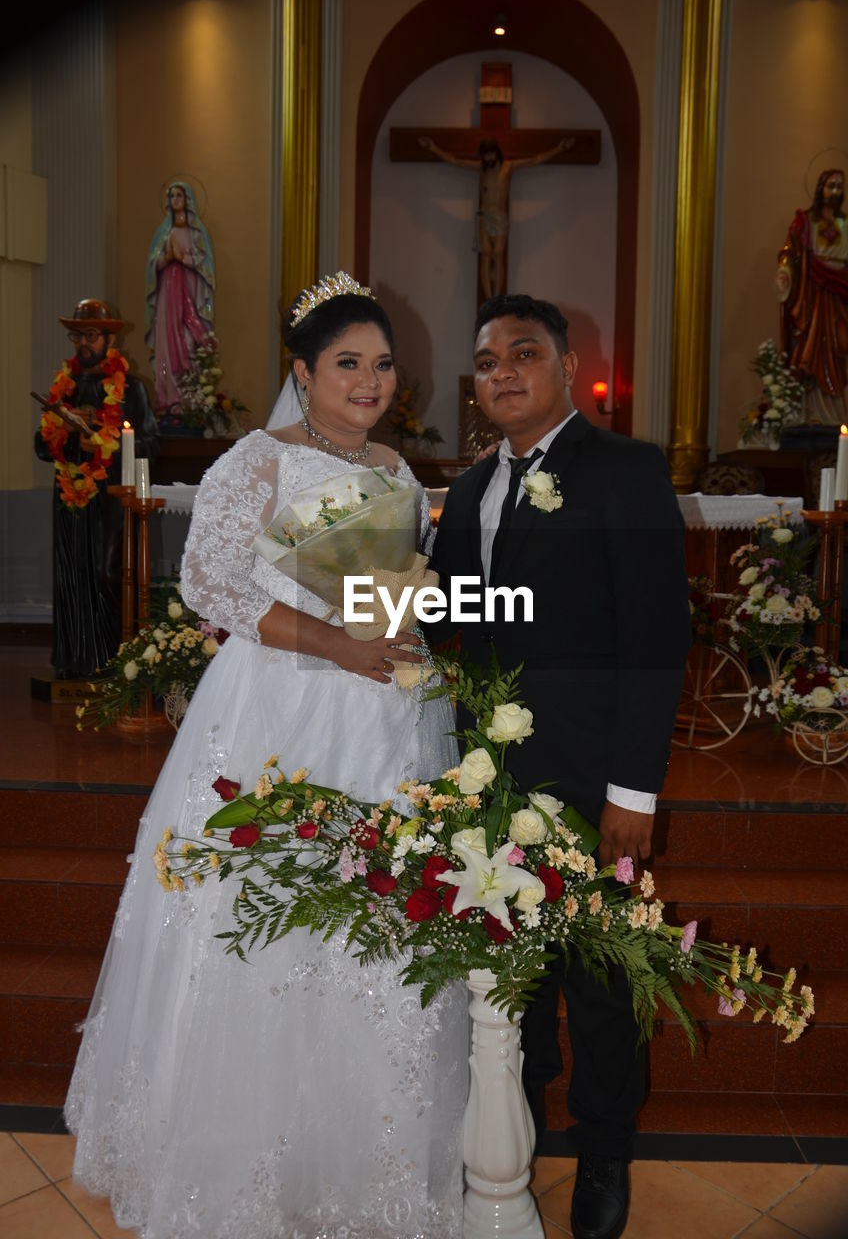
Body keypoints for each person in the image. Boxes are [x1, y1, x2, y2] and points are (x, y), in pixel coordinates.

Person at [65, 275, 468, 1239]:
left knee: (369, 922)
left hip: (377, 722)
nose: (368, 381)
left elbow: (386, 605)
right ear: (303, 372)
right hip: (273, 714)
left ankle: (348, 1156)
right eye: (346, 364)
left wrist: (409, 629)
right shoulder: (260, 460)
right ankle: (233, 1159)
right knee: (256, 914)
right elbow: (209, 585)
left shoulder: (400, 476)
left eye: (380, 364)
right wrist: (339, 645)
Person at [430, 293, 690, 1239]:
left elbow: (658, 636)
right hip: (488, 784)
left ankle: (607, 1149)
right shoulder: (465, 493)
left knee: (603, 979)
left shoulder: (624, 471)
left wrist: (633, 792)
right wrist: (338, 592)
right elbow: (456, 619)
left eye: (523, 353)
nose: (501, 370)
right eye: (488, 358)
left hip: (593, 783)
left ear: (566, 367)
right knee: (514, 973)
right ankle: (520, 1122)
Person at [34, 298, 158, 679]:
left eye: (90, 335)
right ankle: (75, 661)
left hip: (110, 497)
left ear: (108, 339)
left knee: (106, 572)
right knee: (70, 572)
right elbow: (40, 446)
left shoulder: (131, 387)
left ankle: (114, 661)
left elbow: (152, 443)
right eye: (77, 335)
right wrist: (66, 437)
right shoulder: (63, 389)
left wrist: (108, 444)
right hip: (69, 495)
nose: (82, 343)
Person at [418, 134, 572, 300]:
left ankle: (496, 297)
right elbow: (456, 161)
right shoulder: (481, 168)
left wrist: (558, 148)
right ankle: (489, 297)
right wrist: (433, 148)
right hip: (484, 215)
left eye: (490, 153)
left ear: (496, 152)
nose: (487, 158)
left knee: (498, 255)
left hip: (499, 215)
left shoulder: (508, 167)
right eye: (484, 155)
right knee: (485, 255)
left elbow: (535, 160)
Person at [776, 167, 848, 425]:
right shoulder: (806, 222)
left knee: (839, 348)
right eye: (831, 186)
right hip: (813, 297)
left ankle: (835, 413)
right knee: (811, 349)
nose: (835, 192)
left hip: (839, 296)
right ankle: (811, 412)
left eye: (840, 187)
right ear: (820, 189)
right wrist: (785, 270)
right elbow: (790, 252)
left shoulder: (846, 224)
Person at [145, 180, 216, 412]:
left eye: (179, 195)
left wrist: (181, 258)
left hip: (189, 291)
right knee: (167, 334)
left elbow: (204, 264)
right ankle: (167, 397)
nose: (175, 200)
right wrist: (167, 258)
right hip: (168, 291)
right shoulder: (163, 233)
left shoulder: (197, 233)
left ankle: (189, 398)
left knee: (188, 336)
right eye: (172, 196)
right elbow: (152, 264)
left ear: (188, 200)